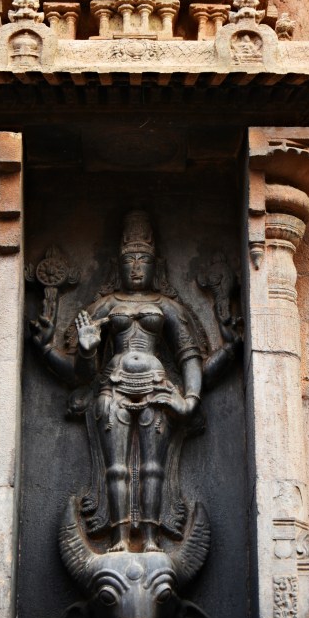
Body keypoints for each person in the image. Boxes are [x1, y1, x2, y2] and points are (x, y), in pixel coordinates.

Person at [32, 211, 208, 553]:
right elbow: (81, 373)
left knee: (153, 468)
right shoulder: (105, 306)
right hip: (113, 387)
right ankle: (119, 538)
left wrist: (190, 400)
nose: (137, 268)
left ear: (156, 265)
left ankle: (152, 540)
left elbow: (189, 356)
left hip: (157, 387)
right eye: (130, 260)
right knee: (116, 468)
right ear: (118, 265)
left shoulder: (167, 306)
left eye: (144, 260)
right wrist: (86, 350)